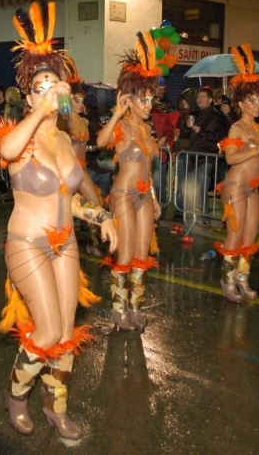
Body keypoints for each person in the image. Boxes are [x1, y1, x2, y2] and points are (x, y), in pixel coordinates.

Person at [0, 1, 116, 441]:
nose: (48, 90)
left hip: (65, 242)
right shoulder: (20, 134)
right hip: (27, 242)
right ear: (28, 95)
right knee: (44, 329)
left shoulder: (66, 139)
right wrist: (40, 113)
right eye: (38, 85)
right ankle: (16, 394)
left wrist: (100, 214)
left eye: (54, 82)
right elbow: (6, 153)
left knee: (65, 333)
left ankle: (55, 406)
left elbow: (70, 198)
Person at [96, 31, 162, 331]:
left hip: (145, 196)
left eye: (151, 100)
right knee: (124, 254)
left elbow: (148, 170)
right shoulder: (122, 125)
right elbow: (100, 141)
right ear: (131, 99)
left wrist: (156, 198)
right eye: (144, 100)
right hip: (123, 195)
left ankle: (135, 308)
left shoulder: (148, 131)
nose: (149, 105)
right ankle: (118, 309)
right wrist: (118, 111)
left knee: (142, 254)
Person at [214, 44, 259, 303]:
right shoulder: (237, 129)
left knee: (251, 237)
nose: (258, 104)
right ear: (241, 104)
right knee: (235, 234)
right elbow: (231, 158)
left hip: (252, 188)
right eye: (252, 100)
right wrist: (255, 151)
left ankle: (242, 279)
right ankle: (227, 280)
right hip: (235, 187)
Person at [62, 55, 104, 257]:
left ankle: (92, 241)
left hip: (82, 168)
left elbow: (86, 145)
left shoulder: (85, 123)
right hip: (67, 170)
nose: (80, 103)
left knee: (95, 203)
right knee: (62, 208)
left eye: (82, 100)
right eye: (75, 100)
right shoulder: (64, 122)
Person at [180, 86, 229, 223]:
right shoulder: (195, 113)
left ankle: (203, 217)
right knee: (190, 185)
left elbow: (218, 136)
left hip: (207, 155)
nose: (200, 99)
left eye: (203, 97)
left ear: (210, 100)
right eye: (198, 97)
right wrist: (187, 126)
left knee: (200, 184)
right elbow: (184, 133)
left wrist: (200, 130)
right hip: (194, 155)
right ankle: (193, 215)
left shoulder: (216, 116)